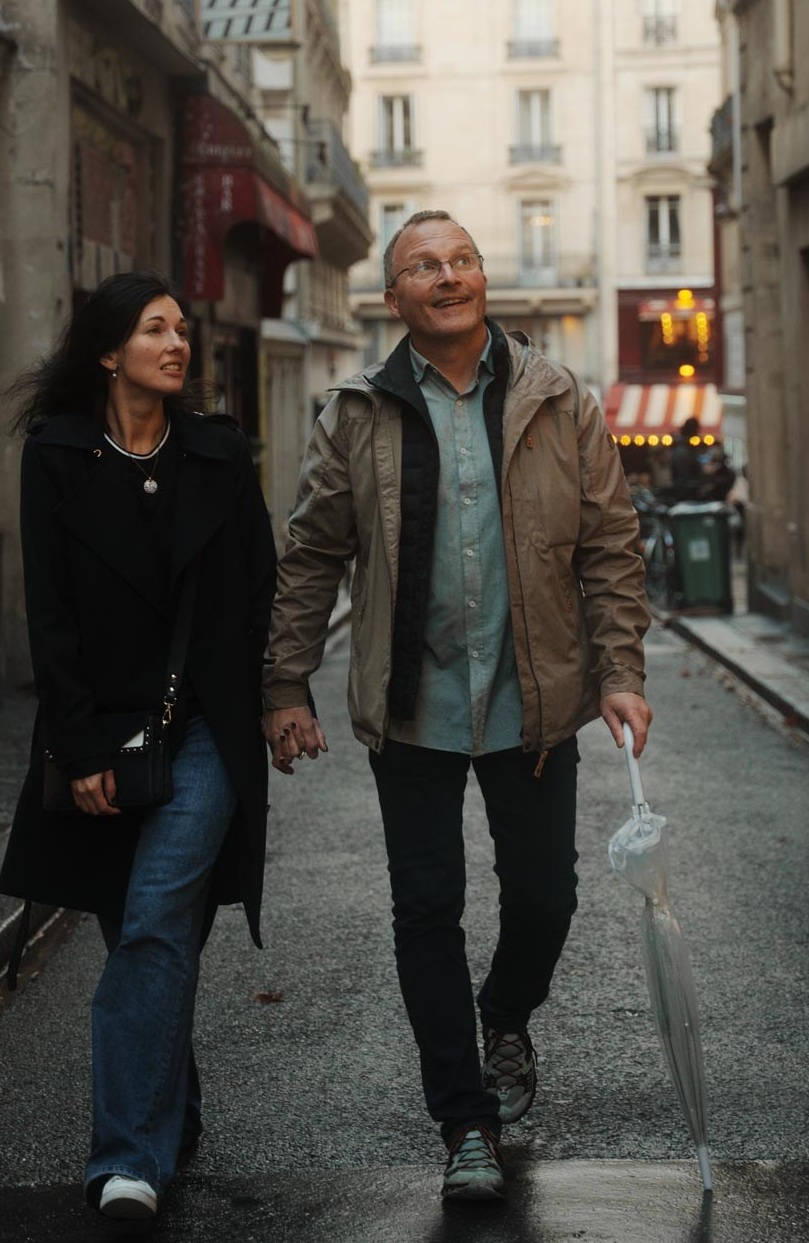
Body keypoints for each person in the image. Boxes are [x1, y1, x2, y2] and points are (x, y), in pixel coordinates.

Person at [262, 211, 651, 1202]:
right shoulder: (356, 412)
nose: (449, 277)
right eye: (424, 268)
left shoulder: (559, 399)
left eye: (463, 261)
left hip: (534, 704)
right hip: (411, 708)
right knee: (425, 909)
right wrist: (285, 681)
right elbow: (312, 555)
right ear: (393, 298)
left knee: (546, 900)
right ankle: (463, 1120)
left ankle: (506, 1013)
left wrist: (620, 671)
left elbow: (610, 543)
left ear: (484, 281)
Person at [0, 271, 276, 1223]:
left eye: (183, 329)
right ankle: (171, 1108)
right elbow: (52, 618)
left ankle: (125, 1163)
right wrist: (79, 754)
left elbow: (256, 592)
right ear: (110, 352)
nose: (178, 342)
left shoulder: (219, 454)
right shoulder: (59, 455)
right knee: (142, 930)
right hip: (105, 731)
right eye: (156, 329)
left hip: (205, 730)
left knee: (155, 917)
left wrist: (277, 699)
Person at [666, 417, 705, 503]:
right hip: (685, 492)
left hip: (685, 489)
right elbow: (684, 474)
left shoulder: (684, 447)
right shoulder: (683, 449)